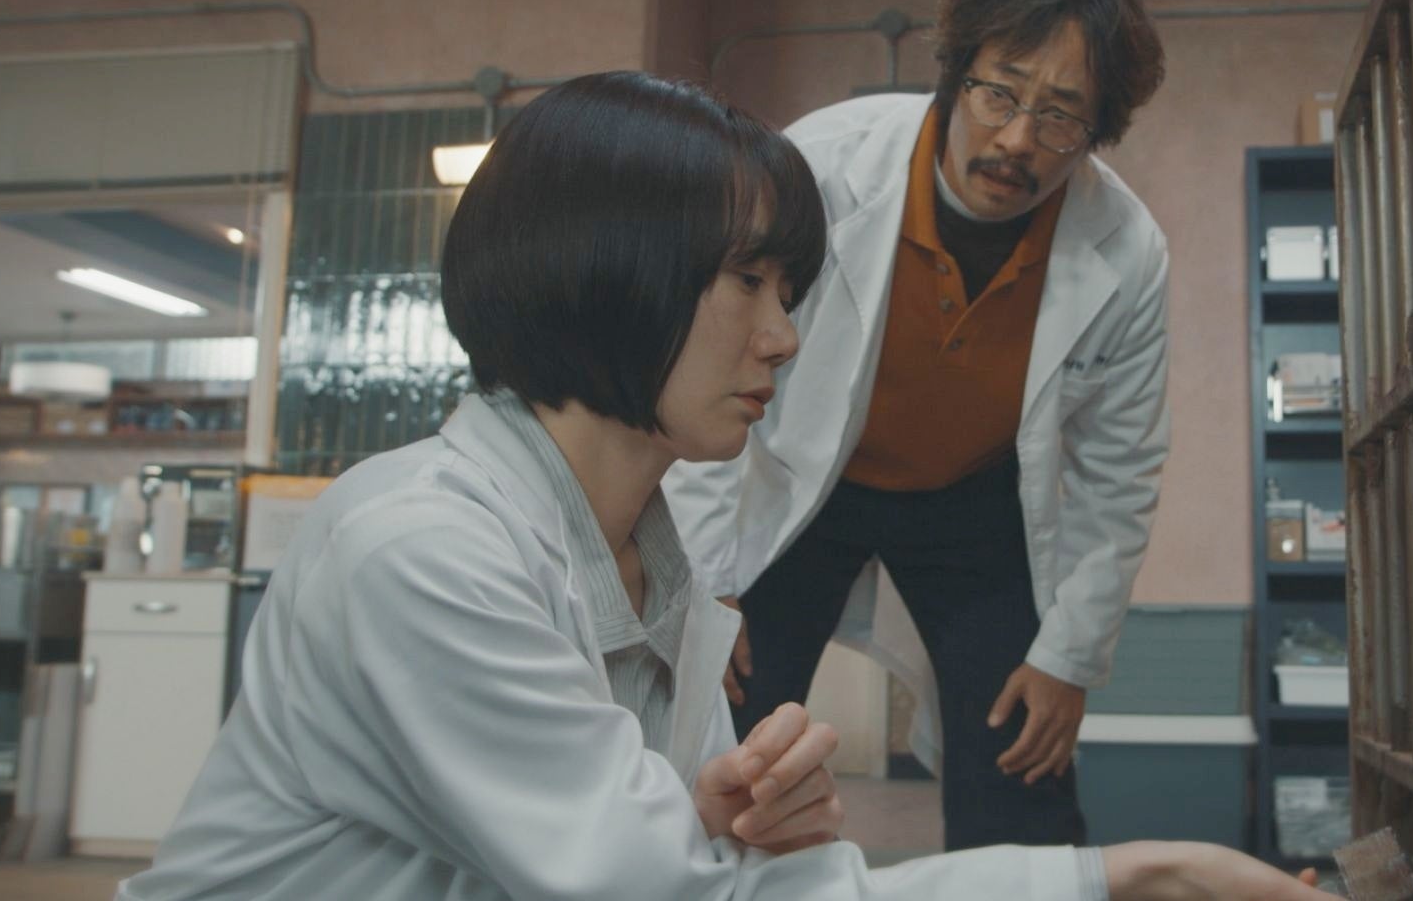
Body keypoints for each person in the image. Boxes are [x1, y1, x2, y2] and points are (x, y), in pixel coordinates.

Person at [115, 71, 1327, 900]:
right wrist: (697, 834)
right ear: (612, 271)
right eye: (750, 283)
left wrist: (1141, 875)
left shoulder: (669, 586)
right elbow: (673, 893)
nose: (785, 340)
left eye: (790, 294)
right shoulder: (424, 552)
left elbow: (742, 885)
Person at [665, 0, 1171, 851]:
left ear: (1099, 133)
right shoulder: (822, 167)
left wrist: (1070, 659)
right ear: (954, 74)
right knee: (725, 713)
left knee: (1022, 748)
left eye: (1062, 117)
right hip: (798, 482)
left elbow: (1118, 472)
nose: (1017, 140)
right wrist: (705, 582)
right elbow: (709, 365)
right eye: (999, 93)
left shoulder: (1128, 251)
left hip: (973, 501)